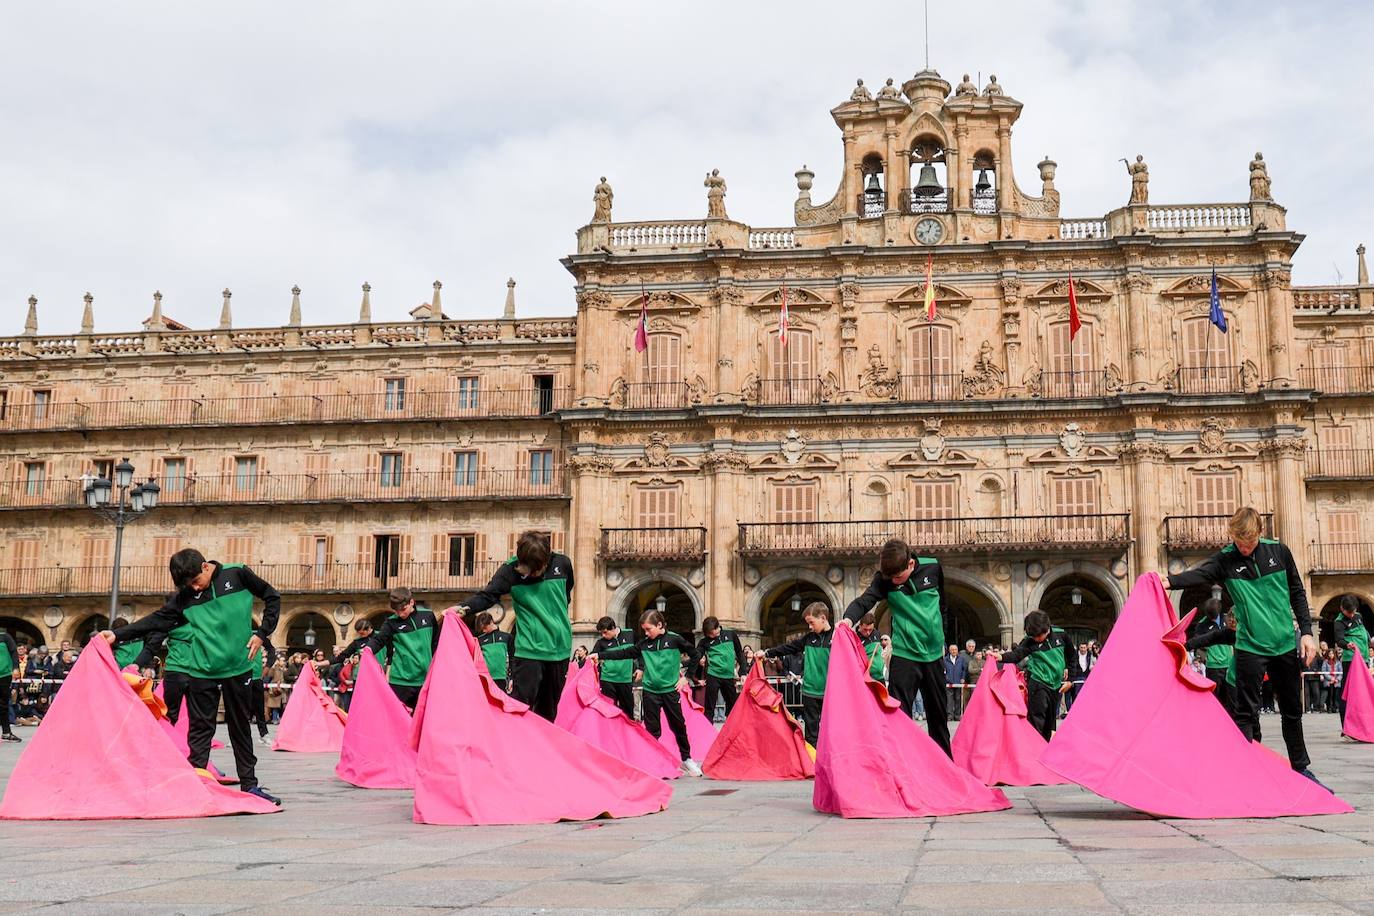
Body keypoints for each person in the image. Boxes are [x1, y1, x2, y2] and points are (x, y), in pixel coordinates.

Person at [104, 548, 282, 806]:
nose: (195, 588)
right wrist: (118, 635)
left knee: (239, 726)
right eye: (189, 586)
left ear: (206, 567)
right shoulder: (186, 596)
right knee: (200, 729)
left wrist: (262, 633)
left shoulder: (237, 573)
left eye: (196, 581)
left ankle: (250, 786)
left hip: (238, 666)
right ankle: (197, 784)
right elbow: (158, 619)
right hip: (202, 669)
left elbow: (271, 596)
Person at [1164, 506, 1324, 786]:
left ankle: (1301, 768)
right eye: (1239, 542)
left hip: (1285, 642)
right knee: (1245, 711)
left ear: (1259, 534)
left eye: (1248, 543)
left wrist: (1307, 633)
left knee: (1291, 709)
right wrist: (1168, 581)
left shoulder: (1279, 552)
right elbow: (1199, 575)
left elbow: (1297, 592)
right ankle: (1243, 770)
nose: (1244, 548)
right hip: (1250, 645)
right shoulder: (1226, 560)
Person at [841, 538, 952, 756]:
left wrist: (942, 639)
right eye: (889, 577)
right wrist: (847, 620)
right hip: (904, 655)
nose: (893, 581)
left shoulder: (933, 567)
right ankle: (900, 764)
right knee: (898, 715)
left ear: (911, 564)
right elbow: (865, 601)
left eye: (897, 577)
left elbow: (943, 605)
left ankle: (946, 767)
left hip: (933, 656)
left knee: (938, 717)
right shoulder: (884, 580)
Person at [459, 531, 575, 722]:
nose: (537, 572)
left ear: (548, 558)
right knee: (519, 708)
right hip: (529, 651)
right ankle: (515, 750)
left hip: (559, 650)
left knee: (549, 713)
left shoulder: (562, 564)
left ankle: (540, 750)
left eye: (541, 568)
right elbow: (488, 596)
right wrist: (463, 608)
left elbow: (566, 594)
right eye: (533, 569)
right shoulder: (509, 571)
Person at [588, 609, 703, 776]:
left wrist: (687, 677)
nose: (646, 633)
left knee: (678, 726)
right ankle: (653, 761)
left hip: (670, 690)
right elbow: (624, 653)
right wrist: (599, 654)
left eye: (649, 629)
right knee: (652, 729)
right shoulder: (643, 644)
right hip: (650, 691)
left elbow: (695, 654)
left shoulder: (674, 639)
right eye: (644, 630)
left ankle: (686, 759)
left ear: (660, 625)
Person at [988, 610, 1079, 742]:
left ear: (1047, 629)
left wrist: (1071, 679)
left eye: (1038, 636)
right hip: (1038, 682)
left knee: (1050, 720)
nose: (1036, 639)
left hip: (1056, 685)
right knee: (1037, 720)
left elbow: (1072, 656)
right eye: (1033, 636)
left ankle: (1044, 748)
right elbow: (1016, 655)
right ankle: (1034, 749)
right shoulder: (1029, 641)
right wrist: (1000, 656)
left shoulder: (1061, 635)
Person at [759, 602, 832, 748]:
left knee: (830, 730)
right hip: (810, 691)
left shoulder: (837, 637)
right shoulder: (808, 638)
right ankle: (812, 763)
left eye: (811, 623)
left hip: (830, 692)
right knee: (811, 733)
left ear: (823, 618)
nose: (810, 627)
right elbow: (788, 647)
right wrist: (767, 653)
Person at [363, 587, 441, 710]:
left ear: (411, 602)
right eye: (396, 611)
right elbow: (379, 640)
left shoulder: (428, 615)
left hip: (426, 680)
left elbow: (436, 643)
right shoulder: (390, 622)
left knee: (423, 722)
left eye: (403, 609)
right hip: (400, 682)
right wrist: (368, 649)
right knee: (398, 723)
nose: (400, 613)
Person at [1189, 598, 1235, 714]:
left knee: (1229, 699)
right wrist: (1201, 657)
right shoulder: (1202, 625)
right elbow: (1197, 642)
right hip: (1213, 666)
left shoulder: (1228, 619)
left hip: (1229, 665)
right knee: (1215, 698)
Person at [696, 616, 745, 721]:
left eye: (713, 632)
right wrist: (700, 658)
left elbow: (739, 653)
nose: (711, 635)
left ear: (718, 627)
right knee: (710, 706)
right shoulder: (704, 641)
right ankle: (708, 732)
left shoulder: (731, 634)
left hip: (728, 676)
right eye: (709, 634)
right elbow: (697, 653)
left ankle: (731, 730)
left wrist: (743, 672)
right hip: (713, 675)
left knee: (732, 705)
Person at [1334, 595, 1368, 735]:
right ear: (1342, 609)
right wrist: (1348, 645)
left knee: (1363, 692)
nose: (1352, 615)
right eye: (1349, 612)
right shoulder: (1339, 621)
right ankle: (1346, 727)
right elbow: (1339, 640)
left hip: (1364, 658)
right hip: (1351, 660)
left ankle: (1364, 723)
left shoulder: (1358, 616)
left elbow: (1363, 632)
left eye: (1354, 611)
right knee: (1348, 692)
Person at [592, 616, 637, 719]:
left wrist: (641, 668)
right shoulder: (601, 642)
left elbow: (640, 651)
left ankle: (628, 734)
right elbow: (592, 656)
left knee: (628, 712)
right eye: (601, 633)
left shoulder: (630, 634)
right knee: (609, 711)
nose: (603, 635)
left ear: (613, 628)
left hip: (625, 679)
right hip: (607, 680)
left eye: (605, 632)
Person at [476, 612, 514, 690]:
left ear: (491, 622)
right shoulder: (479, 640)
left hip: (502, 678)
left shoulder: (507, 637)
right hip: (485, 679)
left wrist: (512, 678)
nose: (483, 631)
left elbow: (513, 659)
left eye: (485, 628)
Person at [0, 628, 18, 742]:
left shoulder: (5, 636)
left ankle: (6, 732)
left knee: (3, 705)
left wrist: (15, 668)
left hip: (4, 675)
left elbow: (14, 652)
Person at [856, 612, 886, 683]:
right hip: (867, 679)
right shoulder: (855, 639)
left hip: (881, 677)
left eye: (870, 629)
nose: (868, 633)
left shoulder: (876, 633)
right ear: (860, 626)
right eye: (865, 629)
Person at [942, 644, 967, 720]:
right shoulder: (945, 660)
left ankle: (957, 715)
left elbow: (964, 670)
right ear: (949, 651)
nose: (954, 651)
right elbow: (942, 671)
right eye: (952, 650)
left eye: (955, 649)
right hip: (949, 683)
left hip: (958, 682)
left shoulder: (961, 659)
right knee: (949, 700)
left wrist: (963, 678)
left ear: (957, 650)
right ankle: (950, 715)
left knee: (958, 699)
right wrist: (946, 678)